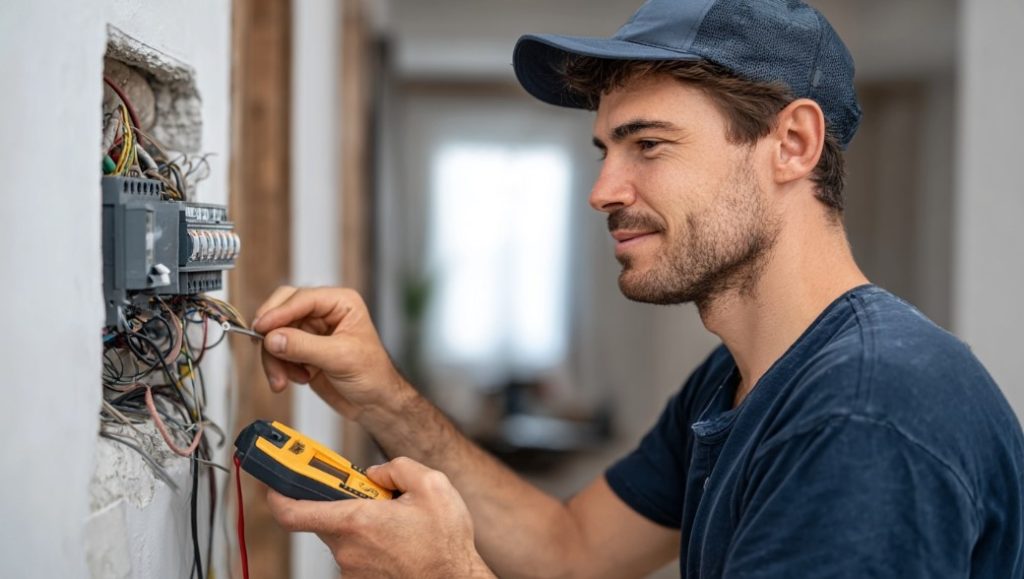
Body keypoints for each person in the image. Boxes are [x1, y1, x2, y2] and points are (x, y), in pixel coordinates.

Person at [252, 0, 1024, 576]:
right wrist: (382, 395)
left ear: (792, 144)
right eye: (604, 151)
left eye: (647, 144)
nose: (604, 190)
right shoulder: (738, 378)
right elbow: (569, 549)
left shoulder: (865, 413)